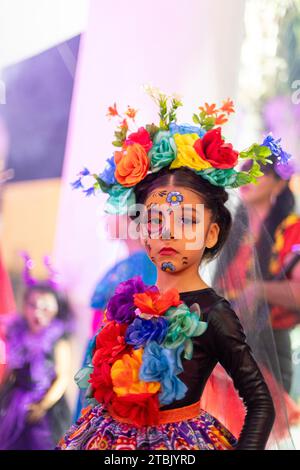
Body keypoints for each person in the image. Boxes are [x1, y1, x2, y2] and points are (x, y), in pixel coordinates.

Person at [57, 90, 292, 450]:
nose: (167, 231)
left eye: (185, 219)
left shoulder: (213, 313)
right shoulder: (127, 301)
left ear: (212, 233)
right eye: (155, 219)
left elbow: (260, 402)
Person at [0, 254, 73, 450]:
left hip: (47, 407)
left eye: (46, 307)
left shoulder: (58, 339)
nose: (38, 312)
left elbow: (63, 378)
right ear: (25, 307)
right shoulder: (18, 334)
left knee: (41, 443)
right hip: (17, 403)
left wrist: (43, 405)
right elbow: (11, 369)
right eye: (33, 305)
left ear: (57, 309)